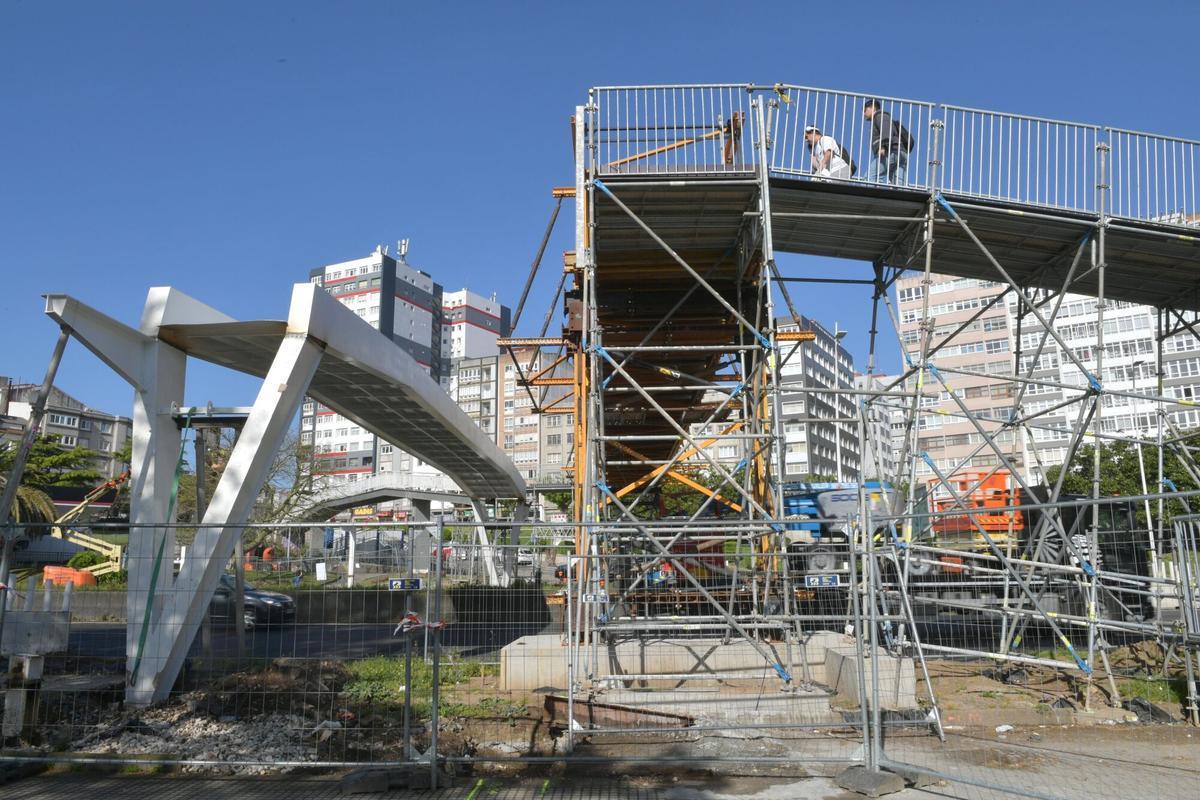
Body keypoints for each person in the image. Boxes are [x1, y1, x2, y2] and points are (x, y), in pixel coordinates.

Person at [863, 99, 912, 185]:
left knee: (869, 177)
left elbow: (887, 130)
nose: (864, 114)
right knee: (898, 184)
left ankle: (870, 196)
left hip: (890, 152)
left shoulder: (880, 115)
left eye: (865, 110)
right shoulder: (883, 116)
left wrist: (883, 146)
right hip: (900, 153)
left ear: (872, 108)